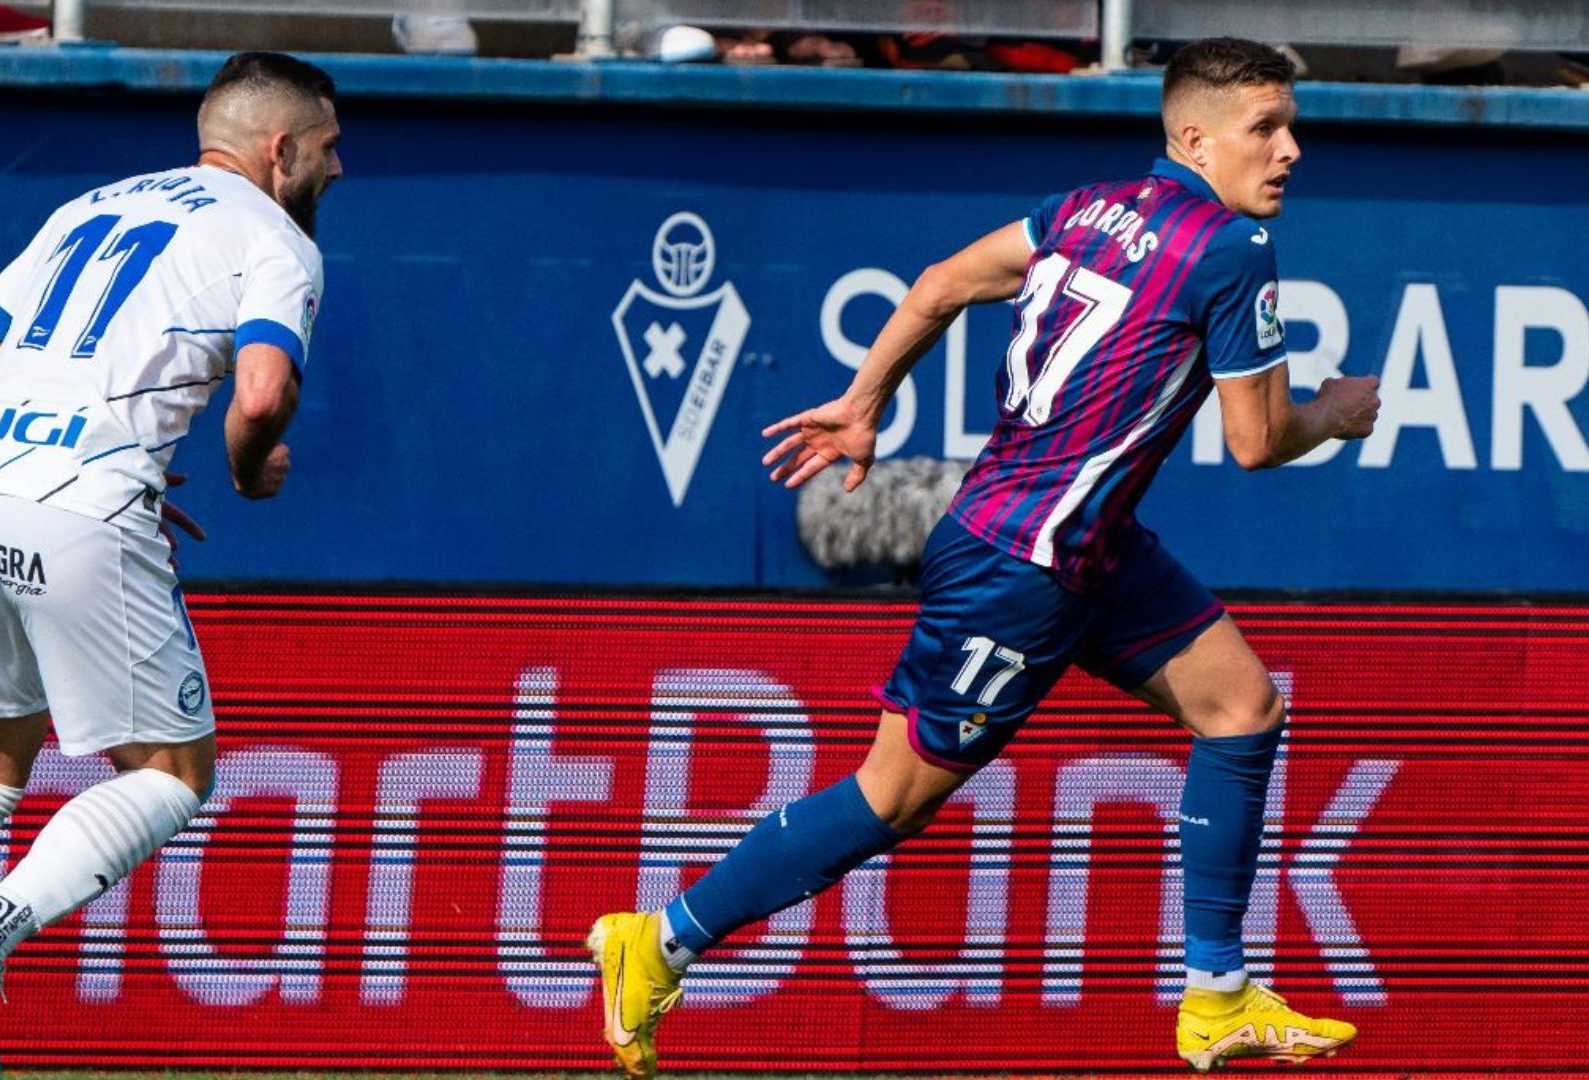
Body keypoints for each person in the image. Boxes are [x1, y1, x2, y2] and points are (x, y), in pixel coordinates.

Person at [588, 36, 1380, 1078]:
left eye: (1290, 125)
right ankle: (662, 937)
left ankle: (1217, 995)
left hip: (1087, 545)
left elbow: (940, 281)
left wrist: (866, 401)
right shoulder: (1232, 251)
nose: (1290, 149)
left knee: (1243, 706)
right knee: (891, 797)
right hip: (1024, 564)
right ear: (1193, 137)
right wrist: (1330, 413)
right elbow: (1254, 441)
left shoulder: (1083, 209)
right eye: (1264, 128)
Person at [0, 51, 342, 1080]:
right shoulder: (274, 237)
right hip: (79, 505)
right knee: (169, 776)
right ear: (281, 149)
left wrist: (77, 448)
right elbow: (258, 396)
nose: (339, 172)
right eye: (330, 151)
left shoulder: (89, 206)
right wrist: (252, 475)